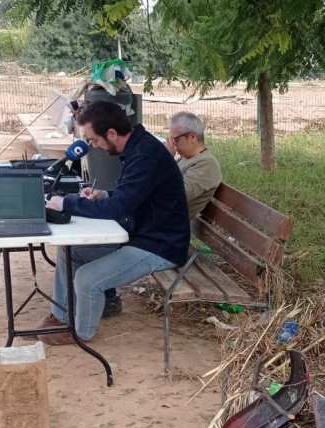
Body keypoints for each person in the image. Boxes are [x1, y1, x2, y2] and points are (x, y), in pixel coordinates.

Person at [38, 101, 189, 345]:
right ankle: (60, 317)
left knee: (87, 280)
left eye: (95, 140)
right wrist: (104, 194)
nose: (94, 146)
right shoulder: (138, 148)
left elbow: (118, 208)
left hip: (160, 245)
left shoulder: (145, 155)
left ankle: (79, 333)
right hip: (141, 233)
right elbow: (127, 196)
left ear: (111, 133)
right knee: (71, 252)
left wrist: (67, 203)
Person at [102, 111, 222, 317]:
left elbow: (173, 196)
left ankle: (106, 295)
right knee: (108, 226)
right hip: (159, 223)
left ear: (192, 136)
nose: (173, 145)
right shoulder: (187, 159)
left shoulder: (205, 164)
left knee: (111, 230)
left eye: (175, 140)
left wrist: (166, 158)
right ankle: (104, 293)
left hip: (165, 233)